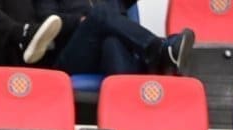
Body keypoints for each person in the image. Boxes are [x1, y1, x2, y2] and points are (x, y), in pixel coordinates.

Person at [32, 0, 193, 76]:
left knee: (112, 40)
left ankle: (127, 111)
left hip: (110, 51)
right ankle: (160, 49)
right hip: (74, 55)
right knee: (100, 13)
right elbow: (46, 18)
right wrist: (80, 21)